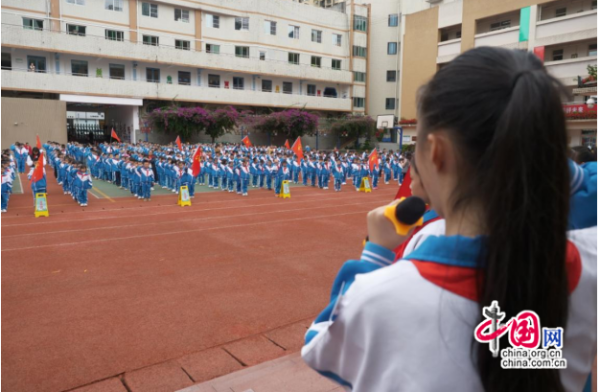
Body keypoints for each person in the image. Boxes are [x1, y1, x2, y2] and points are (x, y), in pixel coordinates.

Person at [302, 47, 597, 392]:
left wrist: (375, 254)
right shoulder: (588, 265)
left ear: (437, 152)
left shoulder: (381, 298)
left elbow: (319, 346)